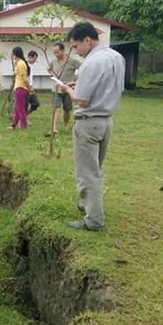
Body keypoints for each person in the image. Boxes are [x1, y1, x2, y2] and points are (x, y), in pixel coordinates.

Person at [58, 22, 125, 231]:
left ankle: (94, 220)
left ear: (88, 40)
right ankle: (86, 204)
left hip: (88, 123)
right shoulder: (116, 57)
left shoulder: (90, 63)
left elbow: (81, 100)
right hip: (106, 121)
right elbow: (107, 87)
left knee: (88, 172)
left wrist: (66, 90)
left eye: (76, 46)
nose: (75, 51)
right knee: (96, 168)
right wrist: (78, 87)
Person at [47, 42, 83, 135]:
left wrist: (73, 81)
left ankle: (65, 125)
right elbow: (49, 69)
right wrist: (53, 75)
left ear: (63, 50)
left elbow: (84, 70)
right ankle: (53, 129)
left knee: (67, 110)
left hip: (68, 90)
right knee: (56, 108)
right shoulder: (53, 61)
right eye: (54, 53)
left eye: (57, 52)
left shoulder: (72, 61)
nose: (56, 55)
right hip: (56, 89)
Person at [8, 46, 30, 130]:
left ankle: (24, 127)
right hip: (19, 87)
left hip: (21, 87)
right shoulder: (19, 63)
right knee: (17, 108)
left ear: (15, 54)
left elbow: (24, 77)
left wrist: (29, 88)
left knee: (20, 109)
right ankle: (14, 124)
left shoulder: (21, 64)